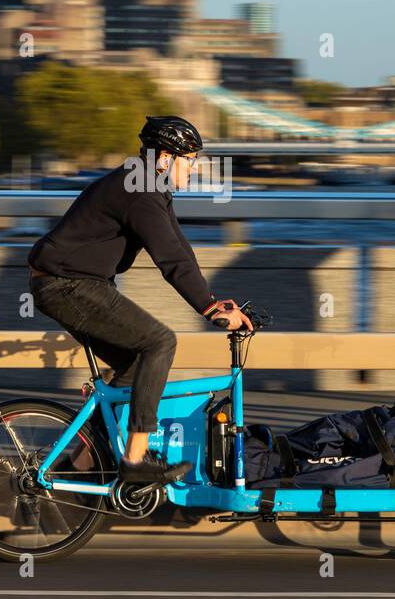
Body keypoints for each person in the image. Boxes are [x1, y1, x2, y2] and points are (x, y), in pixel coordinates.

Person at [27, 115, 252, 485]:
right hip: (65, 284)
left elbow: (180, 247)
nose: (194, 168)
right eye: (189, 159)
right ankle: (134, 459)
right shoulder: (140, 191)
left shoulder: (147, 185)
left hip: (74, 282)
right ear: (165, 157)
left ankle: (79, 466)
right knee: (160, 342)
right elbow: (171, 261)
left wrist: (214, 302)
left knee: (132, 366)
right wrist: (209, 310)